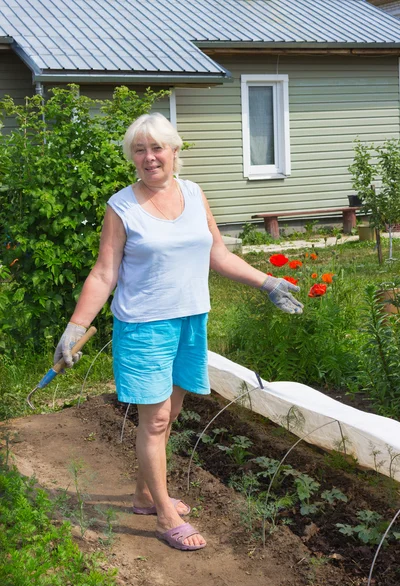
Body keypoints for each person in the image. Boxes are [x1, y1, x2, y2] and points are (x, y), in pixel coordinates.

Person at [54, 112, 303, 552]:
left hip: (191, 320)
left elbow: (218, 254)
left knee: (170, 413)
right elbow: (103, 272)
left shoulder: (193, 193)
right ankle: (165, 513)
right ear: (132, 156)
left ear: (174, 151)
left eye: (157, 148)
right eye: (139, 149)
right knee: (156, 421)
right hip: (145, 327)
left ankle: (143, 494)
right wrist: (76, 327)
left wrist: (267, 282)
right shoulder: (122, 206)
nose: (149, 157)